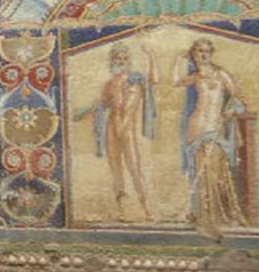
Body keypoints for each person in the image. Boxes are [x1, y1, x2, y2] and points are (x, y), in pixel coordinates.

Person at [173, 38, 248, 236]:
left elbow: (237, 96)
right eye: (199, 51)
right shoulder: (195, 77)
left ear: (211, 53)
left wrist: (231, 110)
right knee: (200, 173)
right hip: (196, 127)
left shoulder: (221, 75)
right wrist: (177, 60)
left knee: (215, 173)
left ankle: (217, 216)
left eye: (207, 51)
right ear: (194, 54)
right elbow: (175, 81)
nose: (203, 54)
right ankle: (203, 217)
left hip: (215, 127)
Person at [75, 42, 157, 220]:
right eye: (117, 58)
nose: (120, 61)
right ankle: (123, 210)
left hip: (127, 129)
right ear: (112, 60)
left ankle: (146, 209)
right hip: (111, 128)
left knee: (135, 169)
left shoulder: (136, 80)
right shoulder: (109, 84)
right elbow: (101, 106)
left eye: (124, 58)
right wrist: (82, 115)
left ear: (129, 61)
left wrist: (150, 56)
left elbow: (153, 80)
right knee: (116, 170)